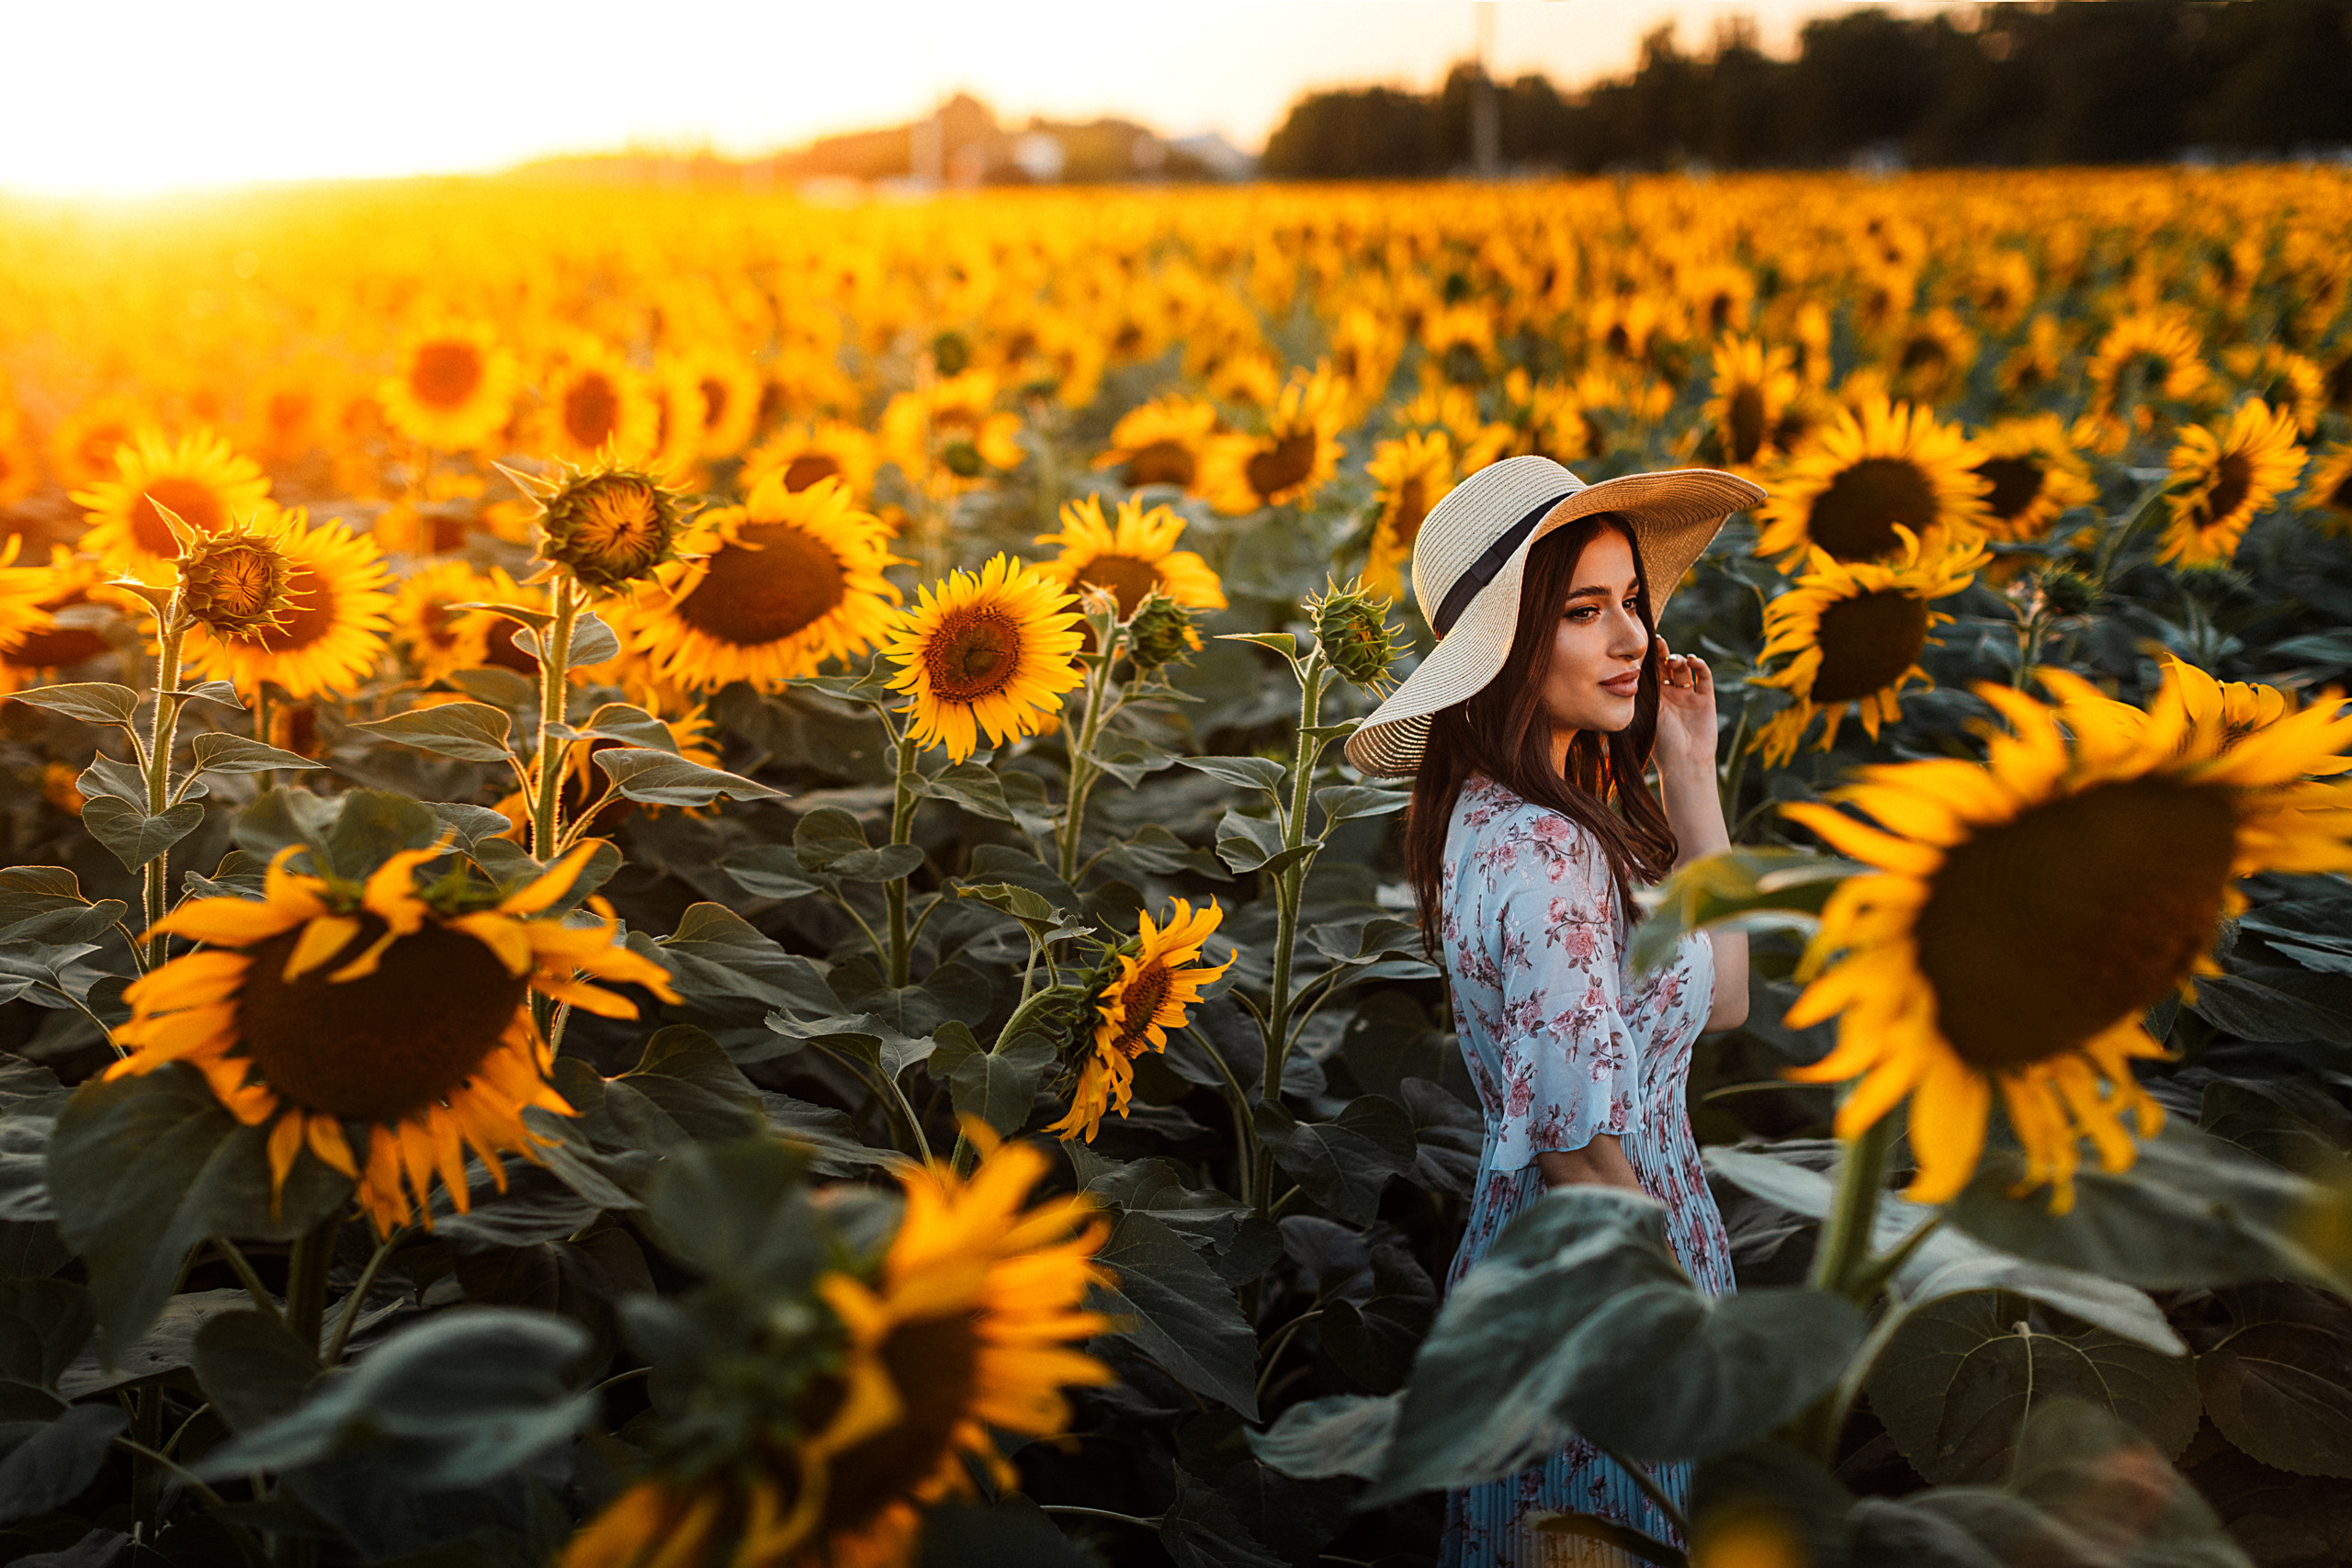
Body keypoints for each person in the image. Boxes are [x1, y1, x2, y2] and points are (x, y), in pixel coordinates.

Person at [1344, 454, 1765, 1567]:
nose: (1633, 638)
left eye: (1632, 602)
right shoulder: (1546, 854)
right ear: (1510, 646)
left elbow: (1721, 1000)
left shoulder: (1557, 812)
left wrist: (1690, 777)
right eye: (1586, 611)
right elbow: (1577, 1146)